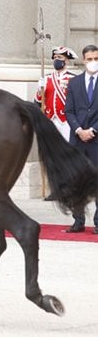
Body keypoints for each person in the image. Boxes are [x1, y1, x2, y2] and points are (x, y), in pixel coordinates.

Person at [64, 44, 98, 234]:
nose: (93, 62)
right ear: (83, 60)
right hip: (77, 140)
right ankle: (78, 221)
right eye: (90, 59)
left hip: (96, 140)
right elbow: (69, 110)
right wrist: (78, 130)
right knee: (77, 181)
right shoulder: (75, 83)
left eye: (96, 58)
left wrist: (92, 130)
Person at [34, 46, 78, 141]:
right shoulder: (47, 78)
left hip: (66, 121)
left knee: (67, 148)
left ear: (66, 60)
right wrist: (39, 90)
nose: (56, 60)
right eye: (55, 57)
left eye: (60, 57)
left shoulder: (74, 79)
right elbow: (38, 102)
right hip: (50, 119)